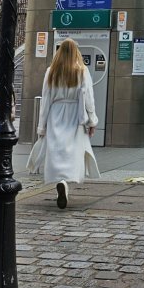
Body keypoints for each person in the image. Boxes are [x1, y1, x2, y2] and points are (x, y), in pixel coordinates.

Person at [38, 38, 100, 209]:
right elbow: (89, 99)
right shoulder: (82, 71)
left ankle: (60, 180)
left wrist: (41, 126)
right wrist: (92, 120)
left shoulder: (51, 71)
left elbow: (46, 99)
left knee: (56, 150)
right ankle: (68, 180)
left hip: (55, 113)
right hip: (76, 113)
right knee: (73, 150)